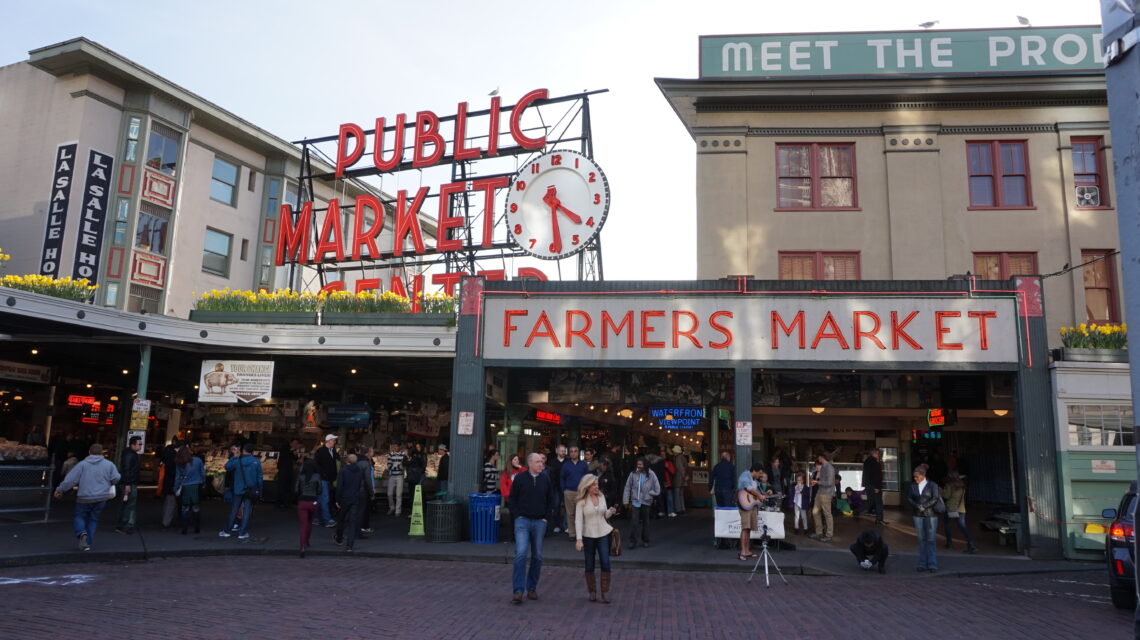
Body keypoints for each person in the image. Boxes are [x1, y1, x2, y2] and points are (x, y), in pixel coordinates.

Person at [508, 452, 557, 604]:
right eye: (537, 462)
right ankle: (518, 590)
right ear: (530, 463)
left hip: (539, 521)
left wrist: (546, 517)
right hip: (522, 520)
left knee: (537, 556)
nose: (541, 464)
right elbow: (512, 498)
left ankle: (531, 588)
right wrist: (517, 515)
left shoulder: (545, 478)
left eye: (541, 462)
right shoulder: (521, 478)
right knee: (521, 553)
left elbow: (551, 499)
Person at [54, 444, 120, 551]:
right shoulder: (109, 465)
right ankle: (87, 544)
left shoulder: (82, 465)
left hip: (84, 497)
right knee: (93, 519)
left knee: (79, 516)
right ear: (102, 453)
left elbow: (70, 480)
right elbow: (116, 478)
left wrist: (60, 490)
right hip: (101, 497)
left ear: (89, 452)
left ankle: (81, 533)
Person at [575, 474, 617, 603]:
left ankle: (605, 592)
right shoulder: (581, 501)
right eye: (594, 484)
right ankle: (592, 591)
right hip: (588, 534)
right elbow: (578, 520)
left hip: (603, 532)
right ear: (587, 486)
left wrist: (611, 511)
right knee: (589, 563)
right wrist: (579, 539)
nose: (596, 486)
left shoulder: (601, 496)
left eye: (597, 484)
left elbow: (604, 515)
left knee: (605, 561)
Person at [219, 442, 263, 540]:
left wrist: (234, 457)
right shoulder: (256, 462)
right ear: (252, 451)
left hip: (238, 489)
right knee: (247, 511)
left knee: (234, 509)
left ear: (243, 450)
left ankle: (227, 531)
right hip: (250, 490)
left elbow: (227, 467)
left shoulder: (238, 461)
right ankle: (242, 533)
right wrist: (259, 489)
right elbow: (259, 477)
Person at [908, 464, 942, 572]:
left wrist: (924, 506)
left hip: (931, 515)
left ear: (923, 475)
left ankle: (932, 564)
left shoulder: (933, 485)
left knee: (931, 540)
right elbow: (909, 498)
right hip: (917, 515)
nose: (915, 479)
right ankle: (922, 563)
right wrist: (917, 506)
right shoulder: (913, 485)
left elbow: (935, 498)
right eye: (914, 477)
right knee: (921, 539)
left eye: (917, 477)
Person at [621, 456, 660, 550]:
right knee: (634, 522)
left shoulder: (651, 474)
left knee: (646, 522)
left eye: (640, 464)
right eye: (637, 464)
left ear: (645, 465)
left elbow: (657, 488)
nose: (638, 466)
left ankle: (645, 540)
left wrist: (651, 493)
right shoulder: (633, 473)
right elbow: (627, 487)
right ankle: (632, 541)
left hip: (646, 501)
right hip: (635, 501)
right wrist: (625, 500)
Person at [334, 453, 370, 552]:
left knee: (341, 518)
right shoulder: (359, 471)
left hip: (345, 498)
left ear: (347, 461)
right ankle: (350, 545)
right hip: (355, 497)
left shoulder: (343, 471)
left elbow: (340, 486)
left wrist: (337, 499)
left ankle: (339, 537)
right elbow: (359, 485)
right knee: (352, 521)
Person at [941, 471, 977, 553]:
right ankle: (971, 544)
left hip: (951, 508)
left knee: (948, 525)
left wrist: (940, 490)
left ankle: (949, 543)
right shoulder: (962, 486)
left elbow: (946, 496)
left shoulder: (949, 485)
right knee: (963, 527)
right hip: (961, 509)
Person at [174, 445, 205, 535]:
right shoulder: (198, 460)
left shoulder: (180, 463)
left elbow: (178, 478)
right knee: (196, 507)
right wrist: (203, 483)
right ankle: (197, 528)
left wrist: (175, 488)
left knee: (185, 508)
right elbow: (202, 473)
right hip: (196, 485)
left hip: (185, 486)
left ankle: (184, 529)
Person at [114, 435, 142, 535]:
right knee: (129, 504)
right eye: (139, 444)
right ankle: (124, 525)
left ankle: (124, 524)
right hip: (129, 483)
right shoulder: (130, 455)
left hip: (128, 482)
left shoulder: (129, 454)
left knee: (126, 504)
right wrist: (127, 484)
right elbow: (127, 470)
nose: (141, 446)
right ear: (132, 444)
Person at [560, 446, 588, 540]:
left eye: (575, 451)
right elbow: (562, 478)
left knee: (582, 514)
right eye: (571, 451)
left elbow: (587, 478)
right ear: (569, 453)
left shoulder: (583, 464)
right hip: (569, 492)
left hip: (581, 492)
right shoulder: (566, 464)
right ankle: (572, 534)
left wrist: (585, 490)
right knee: (570, 514)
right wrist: (564, 490)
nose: (573, 453)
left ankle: (581, 534)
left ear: (578, 453)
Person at [736, 464, 764, 561]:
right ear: (754, 471)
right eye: (759, 473)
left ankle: (747, 551)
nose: (760, 475)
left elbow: (756, 493)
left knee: (749, 528)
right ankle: (742, 552)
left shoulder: (755, 481)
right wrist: (759, 495)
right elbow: (748, 488)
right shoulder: (745, 475)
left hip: (751, 505)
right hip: (744, 505)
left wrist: (764, 494)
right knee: (745, 528)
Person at [808, 452, 836, 543]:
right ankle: (819, 532)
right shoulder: (824, 467)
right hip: (820, 492)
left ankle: (829, 534)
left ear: (822, 457)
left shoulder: (829, 467)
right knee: (815, 512)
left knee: (827, 514)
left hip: (826, 493)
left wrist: (817, 482)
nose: (818, 459)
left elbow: (829, 483)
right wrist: (816, 480)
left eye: (818, 457)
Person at [296, 458, 321, 558]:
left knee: (303, 524)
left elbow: (296, 489)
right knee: (310, 522)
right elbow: (320, 490)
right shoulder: (317, 476)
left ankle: (302, 546)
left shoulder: (301, 476)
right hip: (313, 501)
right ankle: (307, 541)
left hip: (302, 501)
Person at [314, 434, 340, 526]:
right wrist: (323, 474)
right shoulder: (320, 451)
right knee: (325, 498)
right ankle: (327, 519)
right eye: (334, 440)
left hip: (329, 479)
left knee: (321, 498)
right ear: (329, 441)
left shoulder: (332, 451)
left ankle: (316, 518)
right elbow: (316, 465)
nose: (335, 442)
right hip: (323, 479)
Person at [160, 438, 181, 529]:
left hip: (168, 482)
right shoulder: (177, 458)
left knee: (168, 503)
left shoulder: (168, 453)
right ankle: (167, 522)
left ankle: (166, 521)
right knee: (172, 503)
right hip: (174, 483)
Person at [547, 444, 567, 533]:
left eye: (564, 451)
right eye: (561, 451)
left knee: (568, 507)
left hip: (566, 487)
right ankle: (557, 525)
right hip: (556, 488)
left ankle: (566, 525)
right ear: (557, 451)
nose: (563, 452)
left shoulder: (568, 462)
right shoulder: (552, 462)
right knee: (556, 506)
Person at [862, 448, 884, 525]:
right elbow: (876, 476)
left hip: (868, 485)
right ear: (874, 454)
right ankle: (879, 520)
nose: (879, 455)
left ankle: (857, 511)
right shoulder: (875, 463)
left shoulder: (867, 462)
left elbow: (867, 475)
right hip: (875, 486)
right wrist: (877, 487)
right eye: (878, 454)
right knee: (879, 503)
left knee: (870, 501)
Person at [276, 438, 299, 508]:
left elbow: (295, 458)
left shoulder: (293, 450)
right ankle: (278, 503)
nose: (295, 445)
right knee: (281, 486)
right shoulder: (284, 448)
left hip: (289, 470)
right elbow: (283, 456)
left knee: (288, 487)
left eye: (296, 443)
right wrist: (291, 450)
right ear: (291, 443)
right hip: (283, 470)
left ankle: (287, 503)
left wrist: (295, 454)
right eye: (294, 443)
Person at [386, 441, 406, 516]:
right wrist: (398, 466)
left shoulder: (403, 454)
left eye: (396, 446)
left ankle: (398, 510)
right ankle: (392, 507)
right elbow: (389, 466)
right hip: (392, 476)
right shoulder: (390, 454)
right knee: (389, 493)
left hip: (400, 476)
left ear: (399, 447)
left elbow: (403, 466)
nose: (395, 447)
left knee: (399, 494)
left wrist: (395, 466)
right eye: (394, 446)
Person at [671, 445, 688, 515]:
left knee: (677, 495)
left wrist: (684, 476)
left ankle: (678, 509)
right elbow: (685, 467)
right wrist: (685, 477)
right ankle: (683, 508)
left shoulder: (678, 458)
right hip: (682, 480)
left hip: (678, 479)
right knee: (681, 494)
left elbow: (681, 468)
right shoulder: (683, 457)